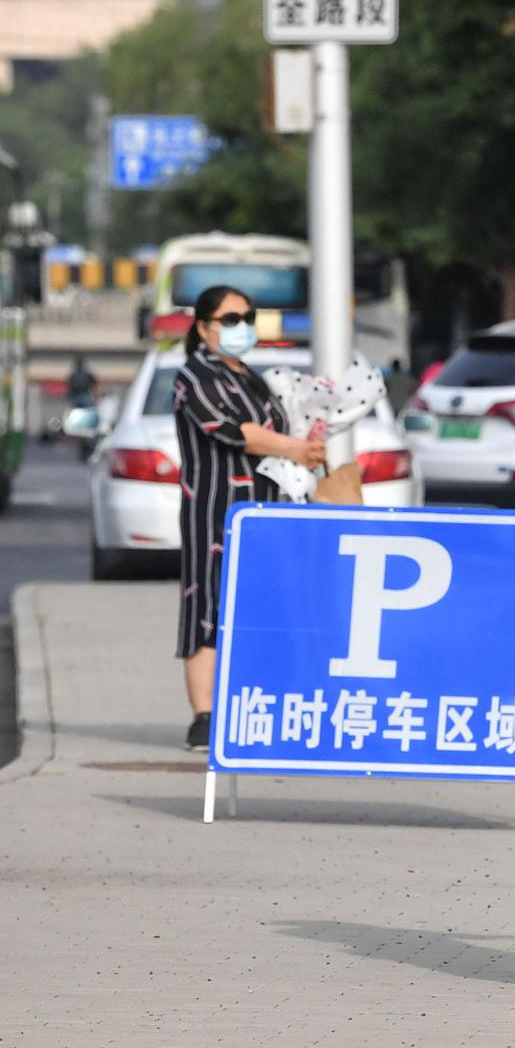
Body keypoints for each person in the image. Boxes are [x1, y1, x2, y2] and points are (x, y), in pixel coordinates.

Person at [171, 286, 325, 749]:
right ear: (204, 326)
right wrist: (296, 448)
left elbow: (275, 430)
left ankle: (253, 706)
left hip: (266, 510)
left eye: (248, 317)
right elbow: (236, 432)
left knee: (260, 606)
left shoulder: (253, 377)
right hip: (216, 509)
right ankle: (204, 715)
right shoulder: (194, 376)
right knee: (207, 606)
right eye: (231, 319)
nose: (242, 327)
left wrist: (309, 442)